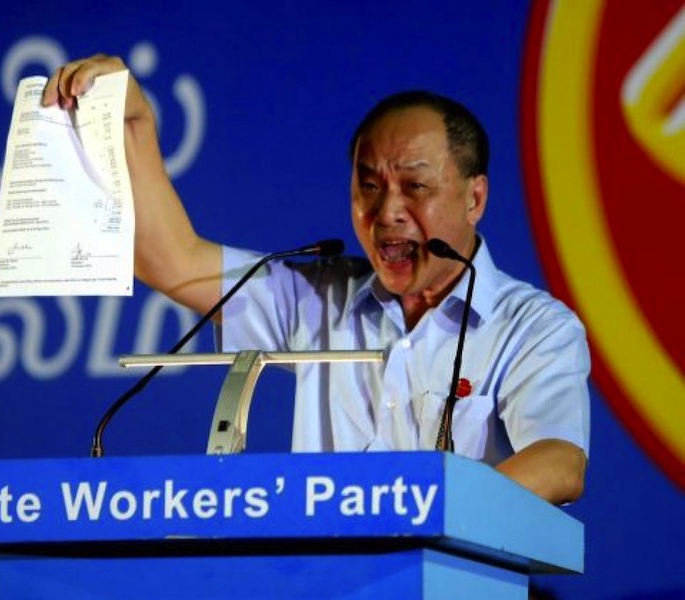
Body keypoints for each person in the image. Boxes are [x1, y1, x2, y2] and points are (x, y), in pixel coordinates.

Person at [43, 55, 590, 505]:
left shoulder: (534, 327)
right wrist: (134, 126)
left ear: (475, 199)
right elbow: (172, 261)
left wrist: (425, 513)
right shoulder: (319, 299)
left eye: (415, 188)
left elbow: (560, 462)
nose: (387, 212)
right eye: (369, 186)